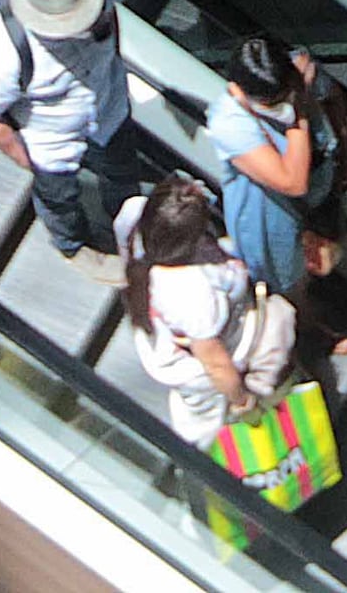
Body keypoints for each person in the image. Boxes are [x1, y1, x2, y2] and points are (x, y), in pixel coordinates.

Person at [0, 0, 135, 282]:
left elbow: (113, 12)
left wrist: (111, 60)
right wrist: (25, 159)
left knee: (123, 172)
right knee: (59, 199)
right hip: (51, 139)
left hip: (110, 107)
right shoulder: (2, 50)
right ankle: (72, 246)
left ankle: (130, 223)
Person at [121, 170, 296, 443]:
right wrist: (243, 401)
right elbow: (215, 363)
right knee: (207, 430)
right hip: (199, 370)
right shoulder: (190, 293)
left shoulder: (134, 218)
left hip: (197, 342)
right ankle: (209, 470)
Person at [217, 38, 344, 301]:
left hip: (323, 187)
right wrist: (298, 115)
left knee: (329, 257)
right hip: (275, 226)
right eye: (271, 104)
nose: (280, 106)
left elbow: (332, 98)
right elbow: (293, 182)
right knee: (287, 290)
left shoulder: (299, 70)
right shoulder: (231, 123)